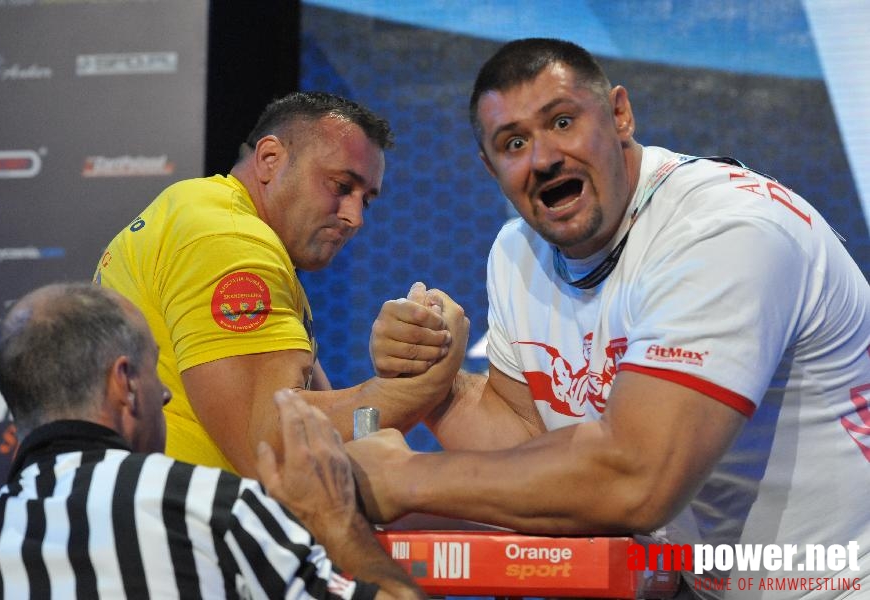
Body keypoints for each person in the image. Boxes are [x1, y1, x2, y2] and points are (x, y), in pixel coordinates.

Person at [350, 38, 870, 597]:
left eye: (563, 121)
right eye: (514, 142)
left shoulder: (725, 232)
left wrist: (404, 479)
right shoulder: (517, 253)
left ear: (620, 114)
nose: (544, 157)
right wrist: (434, 377)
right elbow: (527, 448)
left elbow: (638, 477)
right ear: (490, 166)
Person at [0, 282, 425, 599]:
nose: (164, 393)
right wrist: (338, 521)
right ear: (124, 384)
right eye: (154, 372)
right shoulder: (209, 507)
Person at [93, 91, 467, 478]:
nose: (355, 217)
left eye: (366, 200)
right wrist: (426, 381)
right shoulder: (229, 239)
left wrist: (396, 377)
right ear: (270, 159)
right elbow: (269, 450)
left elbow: (333, 431)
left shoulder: (201, 213)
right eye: (341, 186)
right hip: (186, 527)